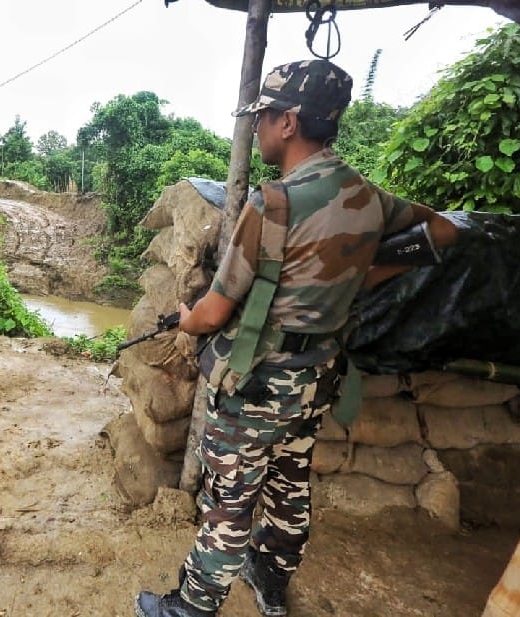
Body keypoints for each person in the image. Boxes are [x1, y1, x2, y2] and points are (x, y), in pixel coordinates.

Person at [135, 59, 458, 617]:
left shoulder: (274, 203)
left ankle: (189, 608)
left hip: (257, 384)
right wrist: (362, 271)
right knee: (290, 486)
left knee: (228, 503)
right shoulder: (366, 195)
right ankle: (270, 581)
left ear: (289, 124)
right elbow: (445, 229)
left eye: (264, 116)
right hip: (315, 378)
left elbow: (213, 313)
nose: (258, 127)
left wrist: (186, 320)